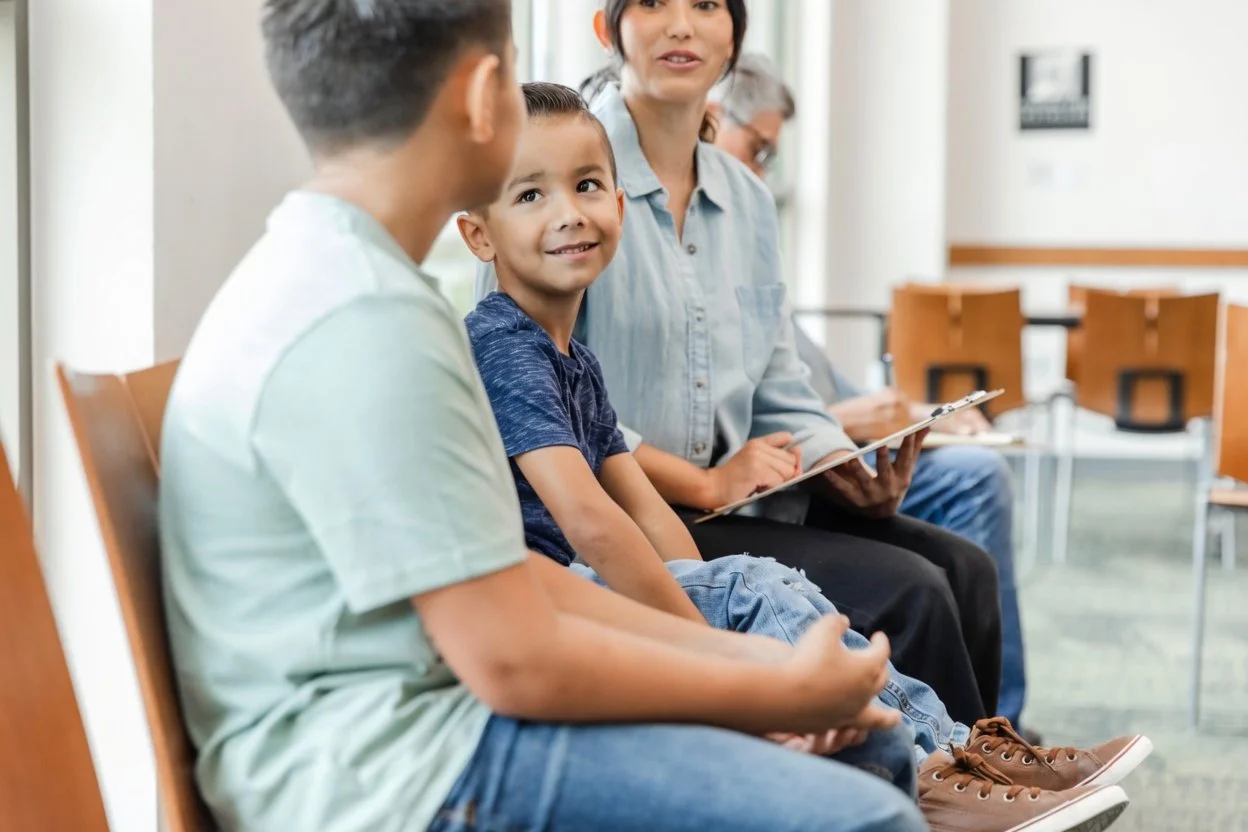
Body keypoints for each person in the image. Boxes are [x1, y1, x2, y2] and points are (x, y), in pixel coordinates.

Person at [157, 2, 937, 830]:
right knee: (866, 818)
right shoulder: (367, 319)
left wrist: (750, 666)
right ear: (485, 93)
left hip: (423, 708)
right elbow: (515, 660)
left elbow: (517, 580)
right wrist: (767, 688)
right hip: (390, 768)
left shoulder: (352, 280)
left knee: (871, 750)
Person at [458, 79, 1145, 832]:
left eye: (588, 185)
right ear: (479, 235)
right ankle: (937, 773)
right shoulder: (503, 343)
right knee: (762, 589)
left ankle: (956, 754)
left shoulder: (573, 362)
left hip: (600, 586)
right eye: (529, 196)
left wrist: (701, 586)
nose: (568, 212)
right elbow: (589, 519)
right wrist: (708, 646)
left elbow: (647, 513)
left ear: (619, 207)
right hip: (561, 600)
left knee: (764, 586)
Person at [477, 0, 1004, 725]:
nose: (683, 26)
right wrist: (701, 488)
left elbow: (779, 375)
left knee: (964, 569)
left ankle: (985, 756)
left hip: (736, 500)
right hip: (661, 504)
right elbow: (566, 441)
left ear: (736, 36)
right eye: (655, 3)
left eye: (706, 5)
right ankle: (939, 780)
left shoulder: (748, 202)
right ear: (610, 29)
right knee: (915, 591)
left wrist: (839, 460)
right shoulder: (565, 177)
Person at [713, 51, 1032, 736]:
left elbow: (806, 383)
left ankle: (995, 733)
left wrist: (913, 415)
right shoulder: (690, 247)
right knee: (946, 539)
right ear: (714, 120)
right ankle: (965, 741)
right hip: (786, 475)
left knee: (966, 552)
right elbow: (734, 419)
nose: (763, 172)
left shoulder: (744, 233)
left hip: (832, 455)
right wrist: (839, 427)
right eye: (759, 149)